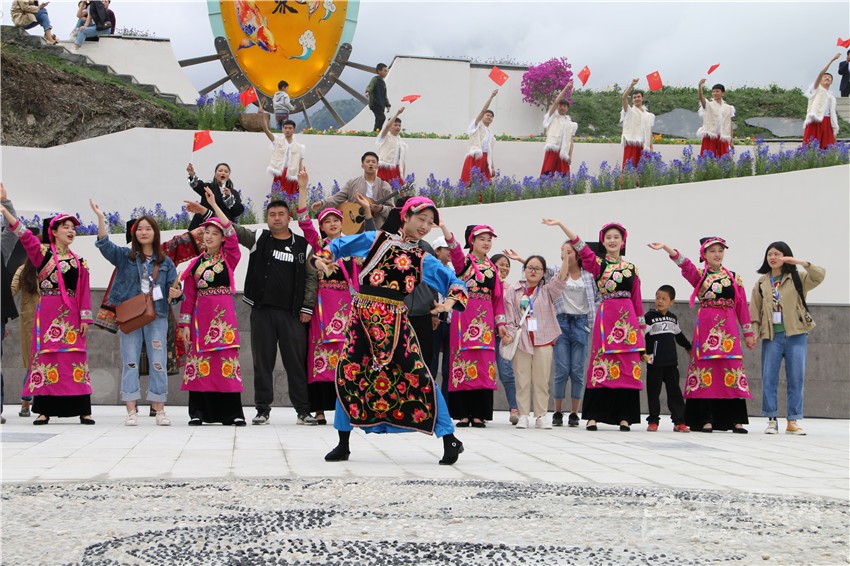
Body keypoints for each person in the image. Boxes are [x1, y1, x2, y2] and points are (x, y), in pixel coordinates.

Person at [314, 196, 468, 465]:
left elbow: (454, 282)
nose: (424, 226)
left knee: (419, 376)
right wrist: (322, 259)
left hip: (395, 324)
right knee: (349, 374)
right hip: (361, 321)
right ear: (406, 216)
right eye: (420, 219)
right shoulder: (376, 239)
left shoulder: (421, 257)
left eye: (429, 222)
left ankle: (449, 438)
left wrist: (449, 303)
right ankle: (343, 443)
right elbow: (338, 245)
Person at [1, 188, 95, 425]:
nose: (71, 231)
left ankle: (83, 410)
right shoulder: (41, 255)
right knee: (46, 359)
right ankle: (44, 410)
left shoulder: (79, 262)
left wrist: (85, 318)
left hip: (72, 316)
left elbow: (84, 293)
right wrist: (5, 211)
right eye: (65, 227)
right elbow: (23, 234)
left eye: (73, 228)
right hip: (47, 315)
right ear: (53, 232)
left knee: (74, 359)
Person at [648, 238, 755, 433]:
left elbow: (741, 306)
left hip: (729, 331)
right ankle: (705, 419)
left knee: (730, 370)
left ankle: (735, 420)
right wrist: (666, 248)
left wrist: (748, 332)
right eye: (712, 251)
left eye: (720, 250)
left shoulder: (733, 277)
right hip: (707, 331)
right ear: (704, 255)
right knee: (707, 372)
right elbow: (684, 264)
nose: (717, 254)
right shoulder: (699, 276)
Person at [92, 202, 179, 426]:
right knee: (130, 361)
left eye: (148, 228)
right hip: (130, 316)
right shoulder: (125, 256)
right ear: (134, 233)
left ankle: (160, 410)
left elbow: (175, 290)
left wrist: (177, 293)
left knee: (158, 361)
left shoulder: (165, 262)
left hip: (157, 316)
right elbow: (104, 245)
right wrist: (101, 218)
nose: (143, 232)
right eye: (139, 229)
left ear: (155, 233)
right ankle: (131, 411)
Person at [232, 198, 317, 426]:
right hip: (262, 312)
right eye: (272, 214)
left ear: (289, 217)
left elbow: (311, 278)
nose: (276, 218)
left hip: (293, 314)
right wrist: (209, 208)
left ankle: (303, 410)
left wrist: (307, 307)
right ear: (267, 218)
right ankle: (262, 410)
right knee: (262, 363)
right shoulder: (258, 239)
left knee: (296, 363)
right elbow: (232, 229)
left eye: (281, 214)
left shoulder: (303, 246)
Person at [557, 220, 645, 431]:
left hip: (629, 322)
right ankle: (594, 416)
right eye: (608, 238)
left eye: (616, 237)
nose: (612, 241)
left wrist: (641, 329)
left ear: (623, 242)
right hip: (606, 320)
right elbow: (580, 246)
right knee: (601, 364)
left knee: (627, 365)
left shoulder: (632, 269)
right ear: (603, 242)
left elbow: (637, 300)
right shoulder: (597, 264)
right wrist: (562, 225)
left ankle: (625, 417)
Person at [298, 170, 365, 425]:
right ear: (322, 227)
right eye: (327, 221)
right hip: (322, 307)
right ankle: (319, 409)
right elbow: (303, 220)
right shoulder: (319, 246)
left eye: (336, 219)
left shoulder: (353, 245)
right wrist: (303, 189)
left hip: (348, 305)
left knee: (348, 354)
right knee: (320, 354)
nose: (333, 224)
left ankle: (348, 407)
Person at [177, 188, 245, 426]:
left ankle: (232, 413)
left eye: (214, 233)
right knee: (200, 363)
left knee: (225, 362)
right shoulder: (195, 265)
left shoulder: (229, 258)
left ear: (222, 238)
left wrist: (214, 205)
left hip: (224, 322)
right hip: (201, 321)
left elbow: (232, 233)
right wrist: (185, 325)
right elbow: (188, 297)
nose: (208, 236)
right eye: (206, 232)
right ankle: (199, 412)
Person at [750, 242, 825, 436]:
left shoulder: (798, 278)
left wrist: (801, 262)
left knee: (796, 378)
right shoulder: (762, 283)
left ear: (786, 256)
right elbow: (754, 312)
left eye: (777, 254)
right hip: (772, 336)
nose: (773, 257)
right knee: (769, 377)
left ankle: (793, 421)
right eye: (769, 254)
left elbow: (819, 276)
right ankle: (771, 419)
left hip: (796, 334)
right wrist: (754, 333)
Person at [502, 223, 570, 429]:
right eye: (529, 268)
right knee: (522, 379)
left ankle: (541, 415)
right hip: (521, 340)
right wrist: (508, 334)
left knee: (541, 380)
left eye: (537, 269)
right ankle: (523, 414)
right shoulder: (513, 291)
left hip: (543, 339)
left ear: (543, 273)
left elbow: (561, 278)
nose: (533, 271)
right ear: (524, 270)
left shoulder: (548, 290)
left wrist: (566, 258)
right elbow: (509, 316)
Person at [438, 223, 506, 428]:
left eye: (489, 240)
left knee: (483, 365)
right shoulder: (463, 263)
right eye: (481, 239)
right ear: (472, 241)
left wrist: (501, 323)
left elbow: (498, 300)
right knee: (462, 362)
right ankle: (463, 414)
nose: (486, 243)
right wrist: (443, 227)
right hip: (463, 319)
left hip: (485, 322)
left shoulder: (493, 269)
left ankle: (479, 414)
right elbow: (454, 248)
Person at [643, 285, 692, 432]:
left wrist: (688, 347)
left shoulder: (673, 318)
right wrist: (640, 352)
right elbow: (640, 335)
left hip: (671, 362)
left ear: (672, 302)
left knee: (675, 392)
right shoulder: (649, 317)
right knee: (653, 393)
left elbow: (679, 335)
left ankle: (679, 421)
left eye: (664, 299)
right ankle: (653, 421)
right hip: (654, 362)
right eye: (657, 298)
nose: (660, 301)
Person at [311, 152, 394, 230]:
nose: (371, 164)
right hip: (355, 227)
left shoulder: (385, 186)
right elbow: (337, 198)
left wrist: (381, 208)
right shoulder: (352, 183)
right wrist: (322, 203)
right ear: (362, 165)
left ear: (377, 166)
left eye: (373, 162)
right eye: (368, 161)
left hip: (377, 228)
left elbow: (392, 211)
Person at [491, 253, 519, 424]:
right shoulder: (487, 286)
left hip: (504, 336)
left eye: (507, 265)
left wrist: (511, 333)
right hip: (486, 334)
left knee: (507, 372)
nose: (504, 268)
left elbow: (513, 314)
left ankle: (514, 408)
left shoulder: (510, 289)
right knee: (485, 373)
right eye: (501, 264)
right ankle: (482, 412)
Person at [12, 252, 40, 417]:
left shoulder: (54, 269)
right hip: (30, 323)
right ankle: (26, 401)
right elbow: (11, 290)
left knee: (48, 361)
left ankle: (42, 401)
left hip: (51, 321)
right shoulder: (24, 270)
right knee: (32, 363)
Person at [260, 105, 305, 196]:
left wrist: (302, 180)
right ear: (283, 129)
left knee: (292, 199)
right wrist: (262, 116)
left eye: (290, 128)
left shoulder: (299, 147)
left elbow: (300, 164)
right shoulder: (277, 141)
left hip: (292, 175)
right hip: (279, 174)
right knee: (277, 198)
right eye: (286, 128)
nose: (288, 130)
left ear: (294, 130)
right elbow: (266, 130)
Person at [186, 162, 244, 231]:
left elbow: (238, 211)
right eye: (220, 171)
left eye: (226, 172)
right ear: (215, 174)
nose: (223, 173)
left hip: (223, 229)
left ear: (228, 175)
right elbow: (198, 185)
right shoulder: (209, 187)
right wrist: (192, 174)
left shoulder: (233, 193)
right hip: (204, 225)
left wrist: (229, 197)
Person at [803, 54, 841, 149]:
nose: (827, 78)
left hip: (827, 122)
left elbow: (832, 113)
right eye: (825, 77)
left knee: (828, 147)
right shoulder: (816, 89)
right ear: (820, 80)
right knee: (810, 147)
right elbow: (820, 74)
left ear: (831, 82)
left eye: (829, 77)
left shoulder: (831, 97)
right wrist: (832, 60)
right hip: (815, 120)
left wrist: (834, 128)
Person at [429, 236, 452, 396]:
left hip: (451, 322)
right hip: (434, 322)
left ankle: (447, 402)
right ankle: (431, 398)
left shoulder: (453, 271)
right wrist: (432, 313)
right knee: (432, 363)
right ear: (437, 251)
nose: (450, 252)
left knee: (448, 367)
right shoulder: (430, 270)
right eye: (446, 249)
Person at [460, 90, 498, 185]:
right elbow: (483, 110)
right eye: (487, 115)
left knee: (484, 184)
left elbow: (490, 151)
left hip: (485, 159)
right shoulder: (476, 125)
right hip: (475, 157)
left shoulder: (490, 133)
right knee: (470, 182)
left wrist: (492, 166)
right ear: (483, 116)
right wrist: (491, 97)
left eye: (491, 117)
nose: (489, 117)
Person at [541, 82, 577, 177]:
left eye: (564, 106)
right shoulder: (552, 117)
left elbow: (571, 142)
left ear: (567, 108)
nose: (562, 107)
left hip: (563, 153)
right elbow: (556, 101)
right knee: (547, 175)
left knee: (564, 177)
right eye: (560, 106)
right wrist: (566, 87)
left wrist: (570, 156)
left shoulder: (571, 124)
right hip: (552, 150)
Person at [620, 78, 655, 170]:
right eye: (634, 97)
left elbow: (649, 132)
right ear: (632, 100)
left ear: (642, 98)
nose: (636, 99)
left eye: (638, 97)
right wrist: (631, 85)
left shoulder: (648, 115)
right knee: (629, 170)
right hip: (632, 144)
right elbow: (623, 98)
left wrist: (651, 147)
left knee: (643, 171)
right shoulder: (629, 111)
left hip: (644, 146)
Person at [696, 79, 735, 158]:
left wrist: (731, 141)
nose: (715, 93)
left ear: (722, 93)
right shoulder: (708, 105)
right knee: (707, 158)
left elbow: (729, 125)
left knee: (724, 158)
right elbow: (701, 98)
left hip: (723, 136)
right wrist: (699, 86)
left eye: (717, 91)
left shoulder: (728, 108)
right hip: (710, 135)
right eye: (713, 92)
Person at [376, 107, 407, 187]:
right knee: (383, 190)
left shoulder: (401, 142)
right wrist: (397, 113)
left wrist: (403, 176)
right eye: (395, 125)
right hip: (385, 169)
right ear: (390, 127)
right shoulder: (384, 137)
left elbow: (402, 161)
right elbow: (386, 126)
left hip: (397, 170)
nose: (398, 127)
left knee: (398, 192)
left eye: (399, 125)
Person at [365, 63, 391, 132]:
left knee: (379, 119)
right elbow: (370, 86)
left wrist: (387, 105)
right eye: (385, 71)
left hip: (381, 104)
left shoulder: (383, 82)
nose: (386, 72)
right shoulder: (375, 79)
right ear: (379, 71)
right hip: (375, 103)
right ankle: (376, 132)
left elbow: (384, 95)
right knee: (381, 118)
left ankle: (376, 131)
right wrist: (368, 92)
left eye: (387, 71)